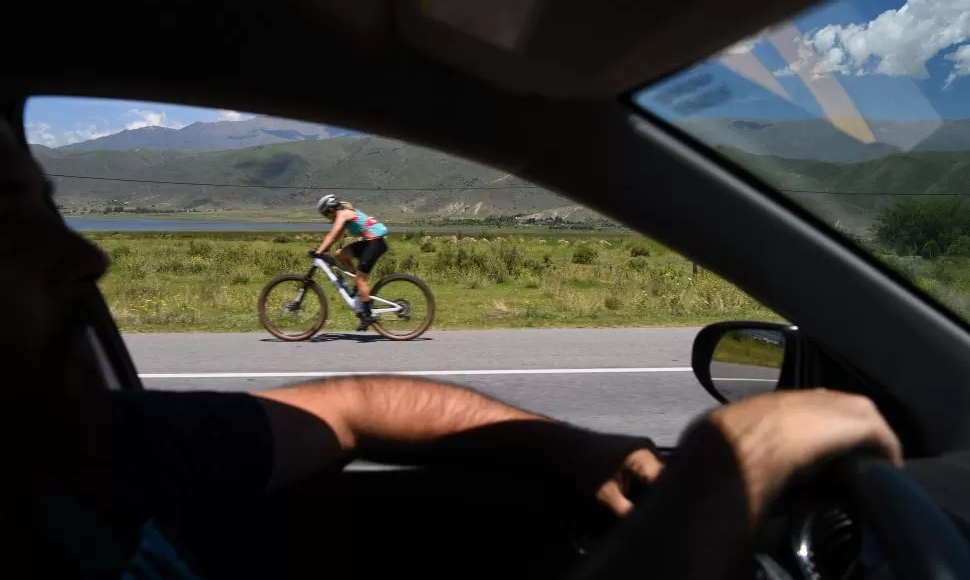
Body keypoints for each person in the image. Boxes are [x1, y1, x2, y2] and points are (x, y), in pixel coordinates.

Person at [1, 117, 903, 580]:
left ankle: (367, 305)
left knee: (355, 277)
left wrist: (333, 261)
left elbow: (350, 385)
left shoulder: (113, 449)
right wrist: (724, 467)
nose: (91, 256)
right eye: (15, 223)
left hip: (382, 251)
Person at [314, 194, 389, 331]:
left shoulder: (343, 214)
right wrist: (323, 250)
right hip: (370, 242)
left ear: (330, 210)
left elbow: (331, 235)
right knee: (340, 255)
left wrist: (319, 252)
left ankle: (367, 315)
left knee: (360, 279)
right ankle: (358, 289)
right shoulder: (344, 217)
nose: (327, 217)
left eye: (325, 214)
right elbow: (335, 237)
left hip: (375, 242)